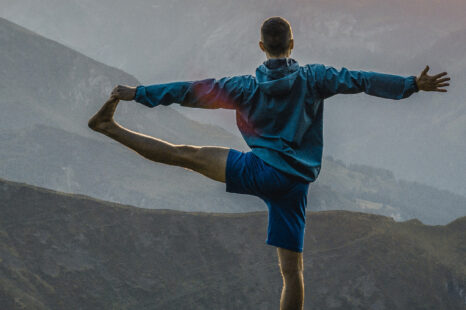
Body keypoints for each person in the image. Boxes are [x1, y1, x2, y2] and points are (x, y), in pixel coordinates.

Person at [88, 16, 450, 310]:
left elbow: (189, 91)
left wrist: (140, 94)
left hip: (258, 171)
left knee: (183, 154)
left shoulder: (244, 86)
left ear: (261, 47)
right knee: (292, 273)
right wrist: (411, 85)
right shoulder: (315, 79)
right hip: (294, 185)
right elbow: (361, 80)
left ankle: (109, 127)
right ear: (292, 44)